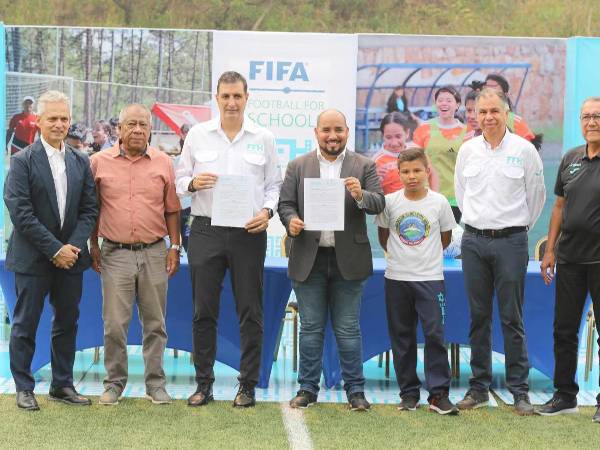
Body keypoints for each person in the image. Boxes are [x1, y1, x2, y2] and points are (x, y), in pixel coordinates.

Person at [176, 71, 282, 408]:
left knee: (250, 310)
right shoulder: (198, 135)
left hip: (248, 233)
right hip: (206, 230)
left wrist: (266, 213)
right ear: (217, 98)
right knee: (202, 311)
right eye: (225, 97)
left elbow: (274, 187)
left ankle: (246, 385)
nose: (232, 102)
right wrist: (192, 184)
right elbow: (178, 179)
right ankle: (203, 384)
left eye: (237, 96)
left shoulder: (263, 137)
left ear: (247, 97)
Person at [278, 108, 385, 411]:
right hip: (308, 259)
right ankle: (308, 389)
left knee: (348, 329)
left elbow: (379, 203)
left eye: (338, 129)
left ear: (347, 132)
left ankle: (356, 391)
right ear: (316, 132)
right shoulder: (298, 166)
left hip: (347, 260)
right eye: (327, 130)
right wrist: (292, 220)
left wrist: (361, 194)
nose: (332, 136)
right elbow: (284, 204)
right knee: (310, 328)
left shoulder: (363, 165)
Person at [3, 90, 98, 411]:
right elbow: (21, 213)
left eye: (64, 118)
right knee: (26, 323)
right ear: (39, 121)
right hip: (32, 259)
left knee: (67, 322)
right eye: (52, 118)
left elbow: (89, 209)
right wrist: (54, 249)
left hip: (70, 259)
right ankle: (24, 387)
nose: (59, 124)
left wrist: (70, 247)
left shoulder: (80, 161)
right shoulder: (21, 162)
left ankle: (62, 384)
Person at [454, 88, 546, 415]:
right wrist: (481, 226)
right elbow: (462, 196)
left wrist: (514, 229)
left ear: (507, 113)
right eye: (483, 112)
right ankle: (479, 387)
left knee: (511, 317)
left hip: (511, 242)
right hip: (475, 242)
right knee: (478, 317)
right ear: (475, 116)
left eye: (495, 111)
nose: (489, 117)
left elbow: (536, 197)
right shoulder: (467, 151)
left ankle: (519, 391)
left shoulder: (524, 150)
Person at [90, 103, 181, 406]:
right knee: (115, 324)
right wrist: (93, 245)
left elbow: (172, 209)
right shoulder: (98, 162)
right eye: (131, 124)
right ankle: (114, 383)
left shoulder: (164, 163)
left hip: (155, 252)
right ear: (119, 129)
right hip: (115, 253)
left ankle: (155, 384)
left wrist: (174, 246)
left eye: (143, 124)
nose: (138, 130)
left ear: (151, 129)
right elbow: (91, 210)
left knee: (155, 323)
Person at [376, 148, 458, 415]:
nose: (412, 176)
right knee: (402, 337)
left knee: (435, 335)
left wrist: (426, 259)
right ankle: (409, 393)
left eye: (417, 171)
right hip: (397, 279)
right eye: (406, 172)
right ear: (399, 174)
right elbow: (383, 236)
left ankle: (438, 395)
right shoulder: (389, 202)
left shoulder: (439, 203)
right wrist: (401, 258)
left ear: (427, 171)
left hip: (430, 279)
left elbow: (445, 238)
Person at [536, 97, 600, 423]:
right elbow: (559, 206)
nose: (591, 122)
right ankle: (565, 396)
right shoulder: (570, 158)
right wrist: (550, 250)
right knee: (563, 330)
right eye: (586, 116)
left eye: (597, 116)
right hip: (570, 259)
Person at [412, 86, 466, 222]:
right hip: (426, 195)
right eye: (440, 100)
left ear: (457, 104)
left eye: (449, 100)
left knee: (448, 238)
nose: (444, 104)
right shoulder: (423, 128)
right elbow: (413, 160)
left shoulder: (466, 131)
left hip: (454, 197)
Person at [373, 112, 437, 195]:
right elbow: (371, 194)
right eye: (388, 137)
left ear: (407, 133)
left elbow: (432, 174)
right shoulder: (376, 161)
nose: (394, 143)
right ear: (382, 135)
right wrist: (375, 180)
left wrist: (435, 198)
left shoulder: (417, 150)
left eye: (398, 136)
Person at [484, 74, 542, 150]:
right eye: (486, 91)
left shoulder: (516, 122)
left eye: (494, 92)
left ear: (505, 95)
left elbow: (528, 154)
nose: (489, 96)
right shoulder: (475, 122)